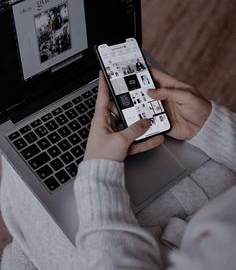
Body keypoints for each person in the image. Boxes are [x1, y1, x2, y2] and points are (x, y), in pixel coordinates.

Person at [1, 67, 236, 269]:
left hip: (150, 249)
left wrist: (99, 173)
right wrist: (214, 127)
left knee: (21, 182)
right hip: (219, 196)